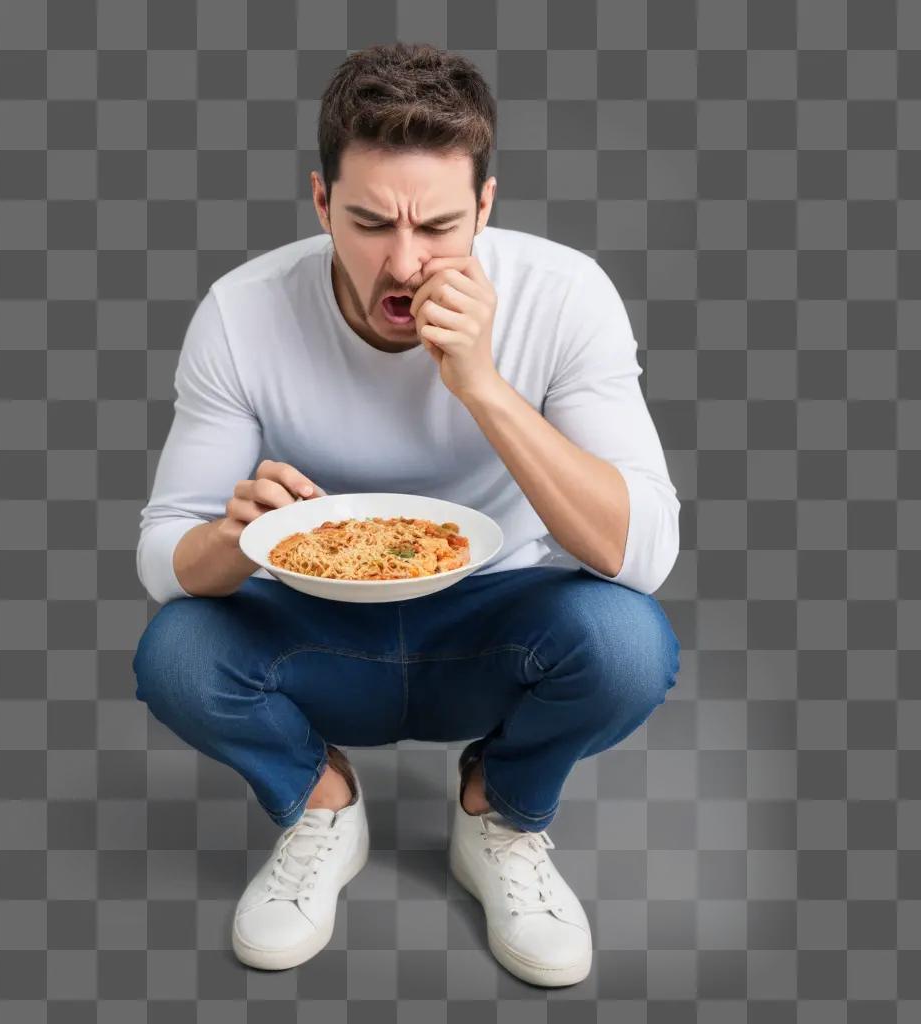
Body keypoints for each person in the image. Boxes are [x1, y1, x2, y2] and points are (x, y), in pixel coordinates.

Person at [132, 42, 681, 987]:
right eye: (368, 221)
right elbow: (159, 553)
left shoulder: (564, 295)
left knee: (629, 642)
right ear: (319, 203)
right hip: (317, 634)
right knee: (177, 650)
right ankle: (322, 805)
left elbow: (646, 553)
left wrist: (483, 386)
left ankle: (498, 817)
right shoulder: (242, 312)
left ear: (486, 206)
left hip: (498, 628)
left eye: (437, 225)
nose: (404, 261)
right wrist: (229, 540)